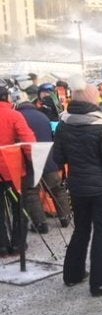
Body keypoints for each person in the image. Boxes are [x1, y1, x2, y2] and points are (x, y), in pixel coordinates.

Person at [53, 76, 102, 297]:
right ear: (92, 99)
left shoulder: (63, 124)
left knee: (80, 230)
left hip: (77, 188)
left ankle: (72, 275)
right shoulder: (101, 127)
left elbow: (57, 158)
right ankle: (98, 284)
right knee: (101, 235)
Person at [15, 93, 72, 233]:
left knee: (32, 192)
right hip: (48, 157)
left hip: (30, 159)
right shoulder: (43, 116)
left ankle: (41, 224)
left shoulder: (18, 117)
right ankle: (65, 217)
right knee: (57, 188)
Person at [0, 84, 36, 257]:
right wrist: (33, 161)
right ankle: (18, 244)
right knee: (19, 207)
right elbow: (28, 141)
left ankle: (1, 246)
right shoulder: (15, 115)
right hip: (13, 168)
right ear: (7, 97)